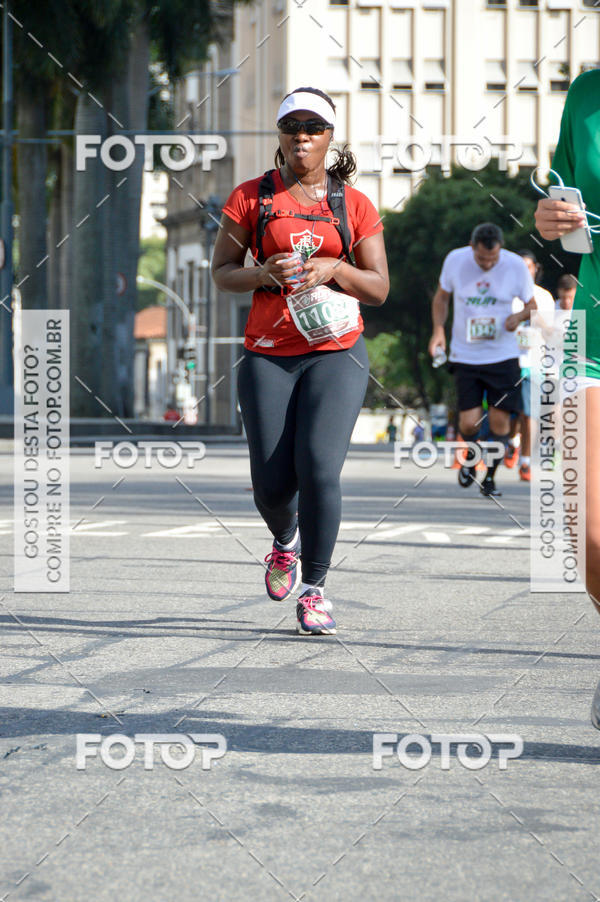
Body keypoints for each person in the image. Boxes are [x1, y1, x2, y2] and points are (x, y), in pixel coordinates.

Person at [211, 87, 389, 636]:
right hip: (268, 354)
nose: (302, 136)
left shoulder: (352, 205)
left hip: (336, 353)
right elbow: (221, 272)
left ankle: (315, 590)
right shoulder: (252, 197)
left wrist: (334, 269)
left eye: (313, 126)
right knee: (270, 482)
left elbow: (379, 288)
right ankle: (284, 543)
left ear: (331, 138)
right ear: (280, 134)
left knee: (318, 468)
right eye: (292, 126)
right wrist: (264, 273)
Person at [534, 67, 600, 728]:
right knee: (586, 531)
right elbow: (558, 207)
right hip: (597, 338)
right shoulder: (587, 94)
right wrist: (551, 217)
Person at [428, 222, 535, 496]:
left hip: (503, 356)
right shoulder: (455, 260)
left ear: (500, 250)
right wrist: (438, 331)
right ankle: (472, 461)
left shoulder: (515, 265)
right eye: (482, 258)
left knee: (500, 424)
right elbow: (441, 299)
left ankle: (490, 478)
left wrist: (518, 317)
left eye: (493, 258)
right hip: (465, 355)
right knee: (468, 422)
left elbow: (531, 306)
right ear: (472, 248)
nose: (487, 263)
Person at [505, 251, 555, 482]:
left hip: (533, 362)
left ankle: (525, 462)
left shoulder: (544, 297)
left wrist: (538, 320)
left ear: (536, 268)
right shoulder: (507, 293)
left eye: (529, 267)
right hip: (508, 360)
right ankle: (511, 442)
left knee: (529, 413)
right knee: (509, 414)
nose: (526, 271)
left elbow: (552, 333)